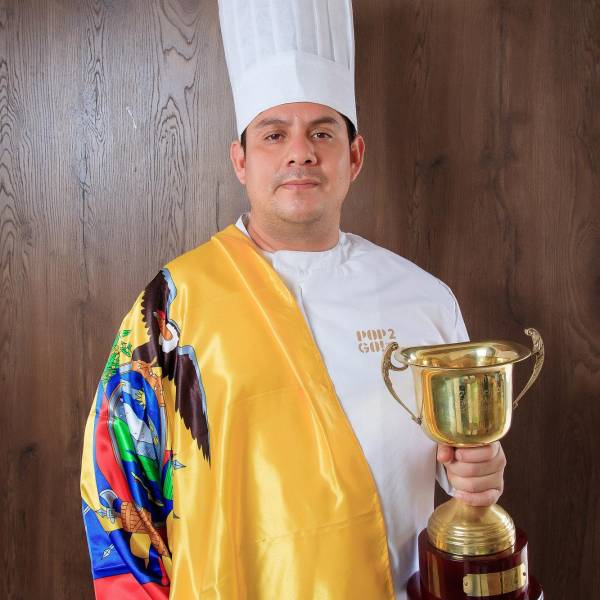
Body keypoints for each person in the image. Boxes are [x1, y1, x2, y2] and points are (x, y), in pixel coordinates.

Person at [80, 1, 506, 598]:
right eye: (274, 134)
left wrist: (481, 473)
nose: (300, 152)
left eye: (322, 133)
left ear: (354, 157)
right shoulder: (173, 307)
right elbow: (117, 492)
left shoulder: (426, 302)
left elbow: (456, 472)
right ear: (241, 160)